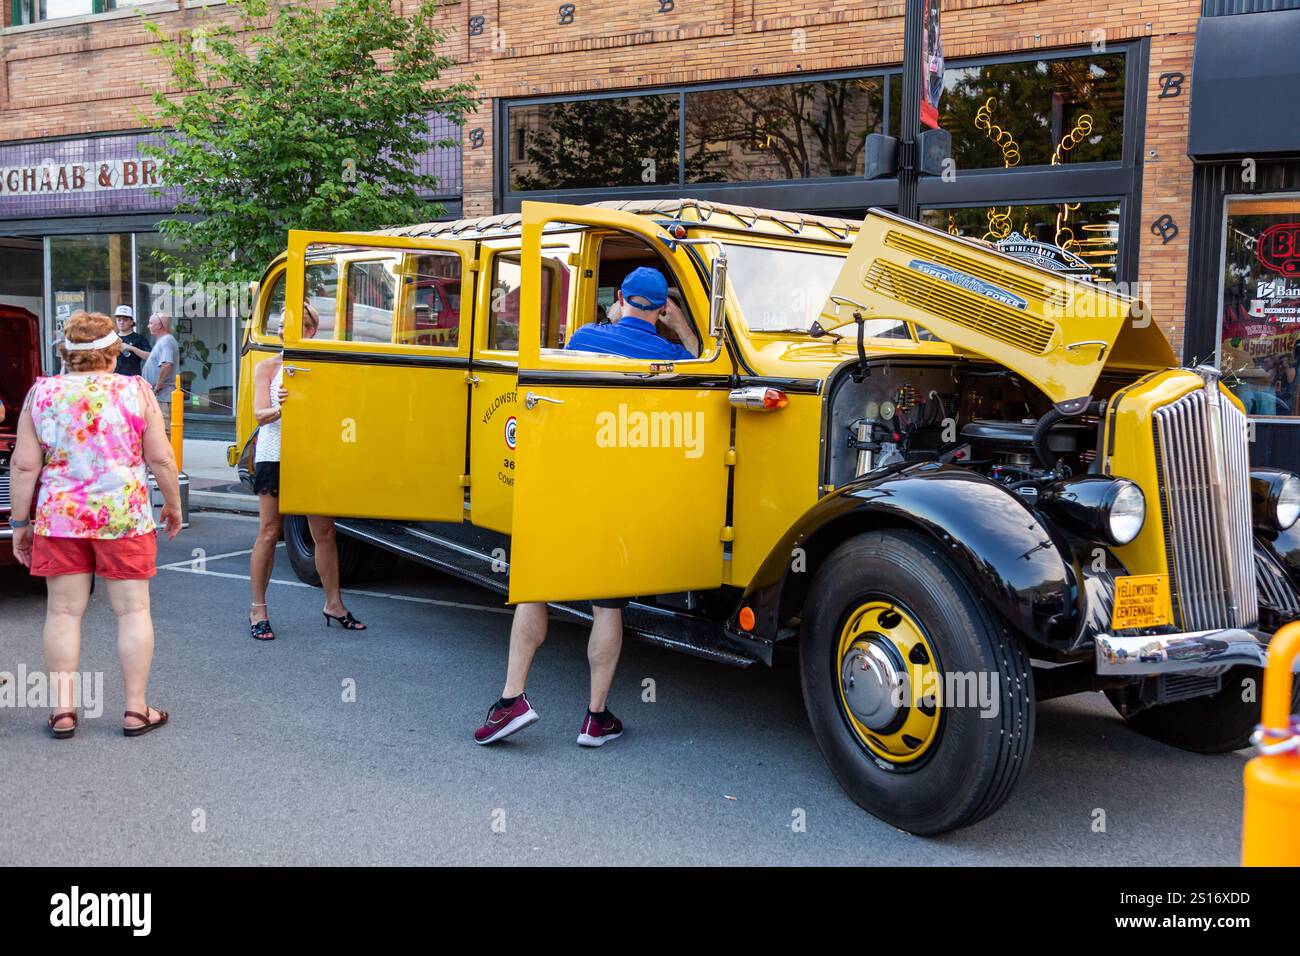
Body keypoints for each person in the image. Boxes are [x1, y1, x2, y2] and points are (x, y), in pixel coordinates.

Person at [473, 267, 700, 748]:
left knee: (534, 588)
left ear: (619, 297)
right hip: (618, 496)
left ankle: (511, 701)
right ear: (662, 308)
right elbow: (704, 362)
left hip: (561, 486)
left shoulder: (585, 336)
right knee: (606, 606)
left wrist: (618, 316)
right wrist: (678, 326)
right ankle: (595, 719)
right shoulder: (673, 356)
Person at [7, 310, 183, 739]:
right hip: (124, 517)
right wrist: (174, 504)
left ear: (65, 351)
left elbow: (24, 464)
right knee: (133, 610)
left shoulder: (41, 394)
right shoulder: (135, 390)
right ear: (114, 351)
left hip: (59, 518)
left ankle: (63, 712)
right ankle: (136, 710)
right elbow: (159, 457)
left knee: (63, 612)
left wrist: (19, 522)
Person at [247, 303, 367, 640]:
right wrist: (280, 406)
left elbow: (341, 412)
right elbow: (259, 415)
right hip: (277, 454)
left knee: (325, 532)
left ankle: (334, 604)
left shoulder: (324, 369)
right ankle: (258, 608)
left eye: (296, 325)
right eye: (283, 326)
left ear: (312, 330)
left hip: (314, 455)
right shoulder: (268, 367)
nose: (286, 331)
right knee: (270, 532)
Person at [140, 313, 180, 431]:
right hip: (160, 395)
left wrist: (158, 385)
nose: (148, 326)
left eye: (151, 323)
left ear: (160, 325)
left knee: (164, 430)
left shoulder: (166, 341)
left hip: (163, 396)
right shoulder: (163, 341)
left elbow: (167, 364)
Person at [112, 305, 150, 377]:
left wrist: (131, 348)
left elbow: (149, 357)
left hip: (133, 378)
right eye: (119, 320)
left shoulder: (139, 338)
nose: (122, 322)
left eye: (125, 320)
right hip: (115, 379)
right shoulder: (112, 338)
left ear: (131, 322)